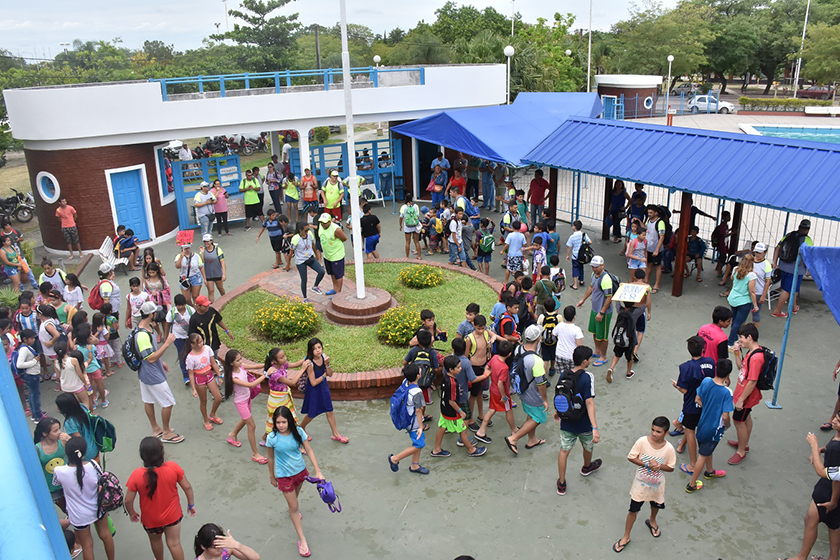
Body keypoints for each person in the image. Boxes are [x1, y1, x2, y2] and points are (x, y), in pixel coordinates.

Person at [612, 416, 677, 553]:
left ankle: (652, 521)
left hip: (657, 487)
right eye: (653, 430)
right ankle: (626, 536)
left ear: (666, 433)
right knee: (633, 511)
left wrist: (659, 466)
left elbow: (671, 467)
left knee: (655, 505)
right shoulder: (642, 442)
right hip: (639, 487)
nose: (654, 434)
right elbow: (631, 457)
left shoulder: (669, 449)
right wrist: (647, 464)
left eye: (658, 432)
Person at [125, 436, 196, 560]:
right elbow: (188, 487)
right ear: (161, 452)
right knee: (174, 543)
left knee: (156, 541)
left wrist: (132, 513)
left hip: (151, 521)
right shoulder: (173, 467)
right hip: (173, 516)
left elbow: (128, 500)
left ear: (142, 455)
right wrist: (191, 504)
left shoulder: (136, 475)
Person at [266, 406, 323, 558]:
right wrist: (271, 476)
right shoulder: (272, 438)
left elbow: (309, 450)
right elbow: (270, 458)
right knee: (294, 507)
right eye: (278, 422)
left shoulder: (298, 432)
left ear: (289, 421)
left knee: (294, 502)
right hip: (284, 476)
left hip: (300, 472)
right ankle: (302, 540)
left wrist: (317, 470)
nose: (281, 425)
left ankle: (293, 510)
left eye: (284, 422)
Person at [52, 437, 115, 560]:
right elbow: (101, 479)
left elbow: (56, 483)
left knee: (87, 545)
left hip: (78, 515)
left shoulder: (59, 471)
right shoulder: (92, 465)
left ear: (67, 453)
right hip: (98, 507)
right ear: (84, 452)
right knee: (106, 535)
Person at [555, 345, 601, 496]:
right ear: (585, 362)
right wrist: (595, 427)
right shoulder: (587, 377)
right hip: (583, 423)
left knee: (564, 450)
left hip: (567, 422)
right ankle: (586, 467)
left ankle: (561, 483)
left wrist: (557, 412)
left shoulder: (564, 375)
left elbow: (560, 395)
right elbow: (589, 402)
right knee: (587, 447)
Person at [136, 301, 184, 444]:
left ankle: (156, 428)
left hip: (144, 372)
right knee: (168, 402)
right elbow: (150, 358)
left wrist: (161, 361)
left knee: (148, 400)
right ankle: (167, 433)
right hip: (152, 374)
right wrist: (167, 344)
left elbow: (150, 353)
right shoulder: (142, 335)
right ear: (151, 314)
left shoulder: (145, 328)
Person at [789, 431, 840, 560]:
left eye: (838, 421)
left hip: (827, 492)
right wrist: (821, 450)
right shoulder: (837, 439)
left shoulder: (837, 448)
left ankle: (801, 557)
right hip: (831, 491)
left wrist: (814, 446)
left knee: (811, 519)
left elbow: (823, 472)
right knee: (834, 525)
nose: (834, 420)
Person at [685, 359, 734, 493]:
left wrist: (707, 407)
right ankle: (692, 484)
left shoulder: (706, 381)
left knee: (706, 450)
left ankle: (709, 471)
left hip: (702, 424)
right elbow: (725, 416)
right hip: (714, 429)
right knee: (703, 454)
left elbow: (697, 399)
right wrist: (727, 425)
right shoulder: (726, 392)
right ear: (729, 373)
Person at [672, 336, 716, 474]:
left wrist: (676, 386)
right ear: (703, 349)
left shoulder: (685, 367)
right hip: (706, 405)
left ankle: (692, 464)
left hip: (691, 405)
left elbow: (684, 389)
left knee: (690, 431)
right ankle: (681, 446)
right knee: (691, 427)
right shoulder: (710, 362)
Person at [430, 355, 487, 458]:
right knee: (463, 430)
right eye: (458, 367)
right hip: (452, 413)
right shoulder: (452, 383)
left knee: (442, 427)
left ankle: (436, 449)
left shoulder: (446, 378)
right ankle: (471, 450)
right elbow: (452, 401)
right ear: (451, 369)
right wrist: (460, 411)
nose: (461, 369)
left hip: (444, 409)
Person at [298, 337, 348, 443]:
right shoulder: (309, 364)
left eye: (319, 347)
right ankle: (301, 427)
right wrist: (324, 375)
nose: (318, 350)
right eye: (315, 348)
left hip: (323, 387)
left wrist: (328, 364)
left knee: (329, 409)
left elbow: (330, 374)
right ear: (311, 351)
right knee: (312, 412)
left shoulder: (324, 357)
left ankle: (335, 433)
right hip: (314, 390)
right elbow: (313, 382)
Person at [222, 349, 267, 464]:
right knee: (251, 426)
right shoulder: (233, 377)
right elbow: (251, 384)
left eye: (241, 359)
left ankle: (233, 434)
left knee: (245, 419)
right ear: (231, 363)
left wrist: (267, 364)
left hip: (247, 399)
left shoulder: (240, 367)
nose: (241, 362)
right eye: (238, 360)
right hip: (241, 403)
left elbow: (255, 366)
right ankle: (255, 454)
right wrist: (266, 375)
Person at [728, 323, 763, 466]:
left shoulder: (756, 358)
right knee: (746, 417)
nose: (740, 340)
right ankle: (744, 443)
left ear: (749, 337)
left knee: (738, 421)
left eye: (741, 338)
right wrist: (737, 353)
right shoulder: (751, 352)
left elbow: (752, 381)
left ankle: (741, 451)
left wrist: (741, 399)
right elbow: (741, 368)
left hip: (746, 395)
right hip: (745, 393)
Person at [387, 364, 429, 475]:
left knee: (418, 441)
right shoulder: (417, 392)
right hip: (414, 423)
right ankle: (395, 459)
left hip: (406, 418)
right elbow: (418, 410)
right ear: (418, 376)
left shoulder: (405, 382)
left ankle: (415, 465)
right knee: (419, 444)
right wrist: (421, 426)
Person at [261, 348, 306, 445]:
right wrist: (302, 370)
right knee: (277, 420)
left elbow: (296, 364)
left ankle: (265, 437)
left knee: (285, 419)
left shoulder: (282, 365)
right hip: (277, 400)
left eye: (284, 355)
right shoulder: (275, 373)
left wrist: (306, 358)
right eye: (281, 357)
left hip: (284, 397)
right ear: (274, 361)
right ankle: (267, 437)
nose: (285, 358)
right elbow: (293, 383)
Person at [576, 256, 614, 367]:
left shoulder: (606, 279)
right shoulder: (594, 275)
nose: (594, 269)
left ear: (602, 266)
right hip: (595, 309)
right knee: (594, 332)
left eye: (596, 267)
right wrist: (583, 300)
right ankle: (597, 351)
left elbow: (609, 297)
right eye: (592, 266)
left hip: (603, 313)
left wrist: (601, 312)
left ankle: (604, 356)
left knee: (602, 336)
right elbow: (591, 288)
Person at [772, 219, 813, 318]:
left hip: (783, 266)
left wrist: (775, 262)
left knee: (793, 288)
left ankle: (794, 307)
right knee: (787, 290)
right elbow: (807, 256)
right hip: (796, 269)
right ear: (808, 229)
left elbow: (777, 247)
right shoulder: (807, 240)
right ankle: (777, 311)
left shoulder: (789, 235)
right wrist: (808, 269)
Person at [183, 333, 224, 431]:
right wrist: (193, 389)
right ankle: (206, 420)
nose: (201, 343)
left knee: (218, 398)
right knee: (203, 401)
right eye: (199, 342)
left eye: (201, 340)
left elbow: (213, 363)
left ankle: (212, 414)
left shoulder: (207, 349)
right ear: (192, 345)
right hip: (199, 379)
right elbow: (191, 374)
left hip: (209, 375)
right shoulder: (190, 357)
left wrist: (219, 375)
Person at [34, 417, 70, 513]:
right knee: (66, 509)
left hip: (68, 482)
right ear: (45, 433)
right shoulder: (37, 449)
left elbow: (78, 453)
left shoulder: (63, 441)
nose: (59, 432)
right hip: (53, 488)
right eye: (55, 431)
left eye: (59, 429)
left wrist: (70, 440)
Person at [726, 254, 759, 346]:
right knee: (739, 322)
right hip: (743, 301)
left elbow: (734, 281)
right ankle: (731, 341)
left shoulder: (735, 269)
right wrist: (755, 305)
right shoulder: (751, 275)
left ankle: (734, 338)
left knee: (735, 320)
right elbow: (752, 291)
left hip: (733, 299)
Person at [289, 222, 325, 303]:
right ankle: (305, 298)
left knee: (321, 271)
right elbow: (291, 252)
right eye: (306, 230)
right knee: (304, 279)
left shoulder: (309, 234)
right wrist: (288, 264)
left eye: (308, 229)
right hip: (301, 261)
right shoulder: (295, 238)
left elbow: (313, 245)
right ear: (300, 230)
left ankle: (315, 287)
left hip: (310, 258)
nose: (308, 231)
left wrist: (317, 256)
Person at [163, 294, 194, 386]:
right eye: (179, 305)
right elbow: (167, 324)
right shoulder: (172, 313)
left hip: (190, 336)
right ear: (176, 305)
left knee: (192, 354)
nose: (181, 307)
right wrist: (166, 336)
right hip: (178, 337)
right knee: (182, 355)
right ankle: (186, 375)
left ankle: (194, 371)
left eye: (182, 304)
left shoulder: (190, 310)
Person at [606, 301, 638, 383]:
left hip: (619, 338)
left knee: (617, 354)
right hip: (629, 340)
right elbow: (645, 305)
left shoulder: (620, 311)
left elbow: (617, 303)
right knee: (629, 357)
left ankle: (611, 368)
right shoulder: (635, 312)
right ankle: (629, 372)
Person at [17, 328, 44, 421]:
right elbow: (19, 364)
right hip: (31, 375)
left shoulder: (25, 347)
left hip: (32, 374)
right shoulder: (24, 349)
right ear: (25, 339)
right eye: (31, 338)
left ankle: (35, 413)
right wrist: (34, 361)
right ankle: (37, 415)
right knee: (34, 395)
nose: (33, 340)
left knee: (32, 394)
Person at [55, 341, 92, 409]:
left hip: (65, 387)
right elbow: (80, 374)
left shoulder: (56, 362)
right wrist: (86, 384)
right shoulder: (73, 360)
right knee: (85, 402)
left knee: (72, 405)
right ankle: (87, 416)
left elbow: (58, 376)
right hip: (77, 385)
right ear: (66, 349)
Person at [194, 523, 261, 560]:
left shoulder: (226, 551)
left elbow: (255, 558)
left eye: (220, 544)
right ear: (203, 546)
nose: (220, 549)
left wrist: (236, 545)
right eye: (214, 547)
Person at [318, 213, 347, 296]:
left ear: (330, 221)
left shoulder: (336, 229)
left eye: (325, 222)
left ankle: (339, 292)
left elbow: (344, 238)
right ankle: (334, 288)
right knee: (331, 273)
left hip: (336, 255)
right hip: (327, 255)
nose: (323, 224)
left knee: (338, 275)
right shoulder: (321, 226)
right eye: (321, 222)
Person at [644, 205, 667, 294]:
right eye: (648, 212)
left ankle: (656, 285)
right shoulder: (649, 221)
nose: (649, 214)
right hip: (649, 248)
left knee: (657, 266)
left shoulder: (660, 222)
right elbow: (646, 228)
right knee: (649, 265)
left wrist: (657, 249)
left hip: (656, 248)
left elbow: (662, 237)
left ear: (656, 213)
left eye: (651, 213)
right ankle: (647, 282)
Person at [200, 234, 226, 302]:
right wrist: (202, 253)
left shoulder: (218, 249)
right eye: (204, 242)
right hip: (209, 274)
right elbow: (202, 262)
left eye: (207, 241)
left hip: (217, 273)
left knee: (220, 288)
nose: (206, 243)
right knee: (210, 291)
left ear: (211, 241)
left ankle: (225, 299)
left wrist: (224, 274)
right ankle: (212, 305)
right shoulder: (203, 250)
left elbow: (222, 262)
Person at [565, 220, 588, 290]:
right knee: (581, 267)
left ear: (574, 227)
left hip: (575, 255)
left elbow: (569, 246)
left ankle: (575, 284)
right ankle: (581, 280)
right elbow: (590, 241)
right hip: (582, 255)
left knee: (575, 268)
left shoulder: (572, 237)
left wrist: (567, 255)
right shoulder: (584, 234)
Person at [399, 193, 422, 260]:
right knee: (416, 241)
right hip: (415, 225)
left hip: (407, 226)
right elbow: (417, 216)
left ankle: (407, 257)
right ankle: (419, 256)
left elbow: (401, 217)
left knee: (407, 242)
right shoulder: (416, 206)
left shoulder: (403, 207)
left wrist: (400, 225)